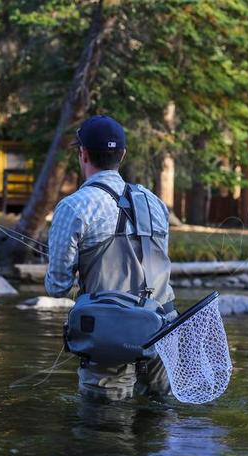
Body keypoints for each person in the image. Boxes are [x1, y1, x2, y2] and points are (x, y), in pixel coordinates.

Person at [45, 115, 176, 401]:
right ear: (123, 155)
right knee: (158, 430)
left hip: (110, 341)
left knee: (104, 434)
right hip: (164, 334)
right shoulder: (155, 202)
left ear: (83, 154)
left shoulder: (74, 207)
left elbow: (57, 286)